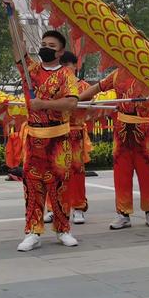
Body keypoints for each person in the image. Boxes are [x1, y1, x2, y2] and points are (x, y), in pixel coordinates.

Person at [4, 0, 79, 251]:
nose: (46, 48)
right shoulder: (31, 71)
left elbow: (71, 103)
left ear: (60, 52)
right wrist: (12, 16)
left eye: (51, 46)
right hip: (35, 139)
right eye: (44, 45)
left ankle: (63, 229)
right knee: (32, 185)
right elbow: (17, 45)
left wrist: (44, 104)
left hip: (59, 140)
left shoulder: (66, 74)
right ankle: (32, 231)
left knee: (59, 185)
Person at [79, 71, 149, 230]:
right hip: (122, 130)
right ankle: (123, 214)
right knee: (121, 173)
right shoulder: (117, 75)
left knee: (147, 173)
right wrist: (75, 99)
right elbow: (97, 88)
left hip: (144, 132)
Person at [44, 51, 92, 225]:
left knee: (76, 171)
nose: (67, 69)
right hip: (56, 132)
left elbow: (90, 109)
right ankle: (52, 208)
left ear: (75, 66)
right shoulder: (53, 85)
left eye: (69, 65)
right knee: (55, 171)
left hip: (75, 133)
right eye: (63, 65)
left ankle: (78, 207)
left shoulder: (84, 86)